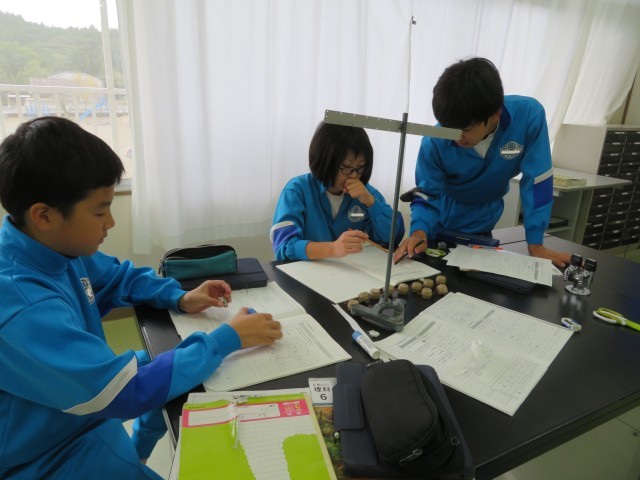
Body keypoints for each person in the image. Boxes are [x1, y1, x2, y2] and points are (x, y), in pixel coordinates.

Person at [0, 116, 283, 479]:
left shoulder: (55, 250)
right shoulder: (21, 306)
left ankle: (139, 451)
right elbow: (124, 393)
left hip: (81, 418)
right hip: (49, 456)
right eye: (100, 211)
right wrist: (229, 339)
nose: (110, 223)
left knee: (167, 357)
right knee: (181, 366)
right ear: (44, 216)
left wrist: (180, 297)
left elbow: (119, 277)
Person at [393, 57, 571, 268]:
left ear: (495, 114)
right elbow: (427, 193)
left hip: (484, 223)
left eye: (465, 130)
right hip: (441, 223)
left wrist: (536, 244)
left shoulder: (529, 117)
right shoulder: (434, 141)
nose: (456, 138)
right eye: (449, 128)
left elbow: (538, 181)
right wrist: (419, 231)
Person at [271, 122, 405, 261]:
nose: (354, 175)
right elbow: (283, 247)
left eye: (360, 168)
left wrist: (372, 203)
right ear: (325, 162)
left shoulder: (365, 193)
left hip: (352, 270)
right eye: (346, 167)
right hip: (307, 271)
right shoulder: (297, 191)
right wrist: (333, 248)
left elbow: (391, 239)